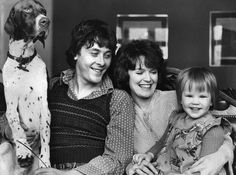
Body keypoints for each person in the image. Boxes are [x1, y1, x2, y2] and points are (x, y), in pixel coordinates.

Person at [1, 19, 135, 175]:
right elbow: (6, 119)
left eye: (107, 55)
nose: (101, 62)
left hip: (85, 172)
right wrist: (11, 131)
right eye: (94, 53)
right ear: (77, 52)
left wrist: (67, 174)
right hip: (41, 169)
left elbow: (117, 159)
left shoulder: (118, 99)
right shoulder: (51, 87)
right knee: (4, 152)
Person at [112, 40, 234, 175]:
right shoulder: (120, 108)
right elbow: (115, 154)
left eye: (153, 72)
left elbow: (216, 131)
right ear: (125, 74)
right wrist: (130, 167)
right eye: (140, 72)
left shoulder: (177, 97)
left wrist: (222, 155)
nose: (148, 79)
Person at [132, 67, 230, 174]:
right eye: (189, 96)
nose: (195, 102)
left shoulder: (213, 130)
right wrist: (149, 155)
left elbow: (205, 169)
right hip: (165, 168)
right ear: (180, 99)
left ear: (211, 101)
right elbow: (162, 142)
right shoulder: (176, 118)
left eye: (202, 97)